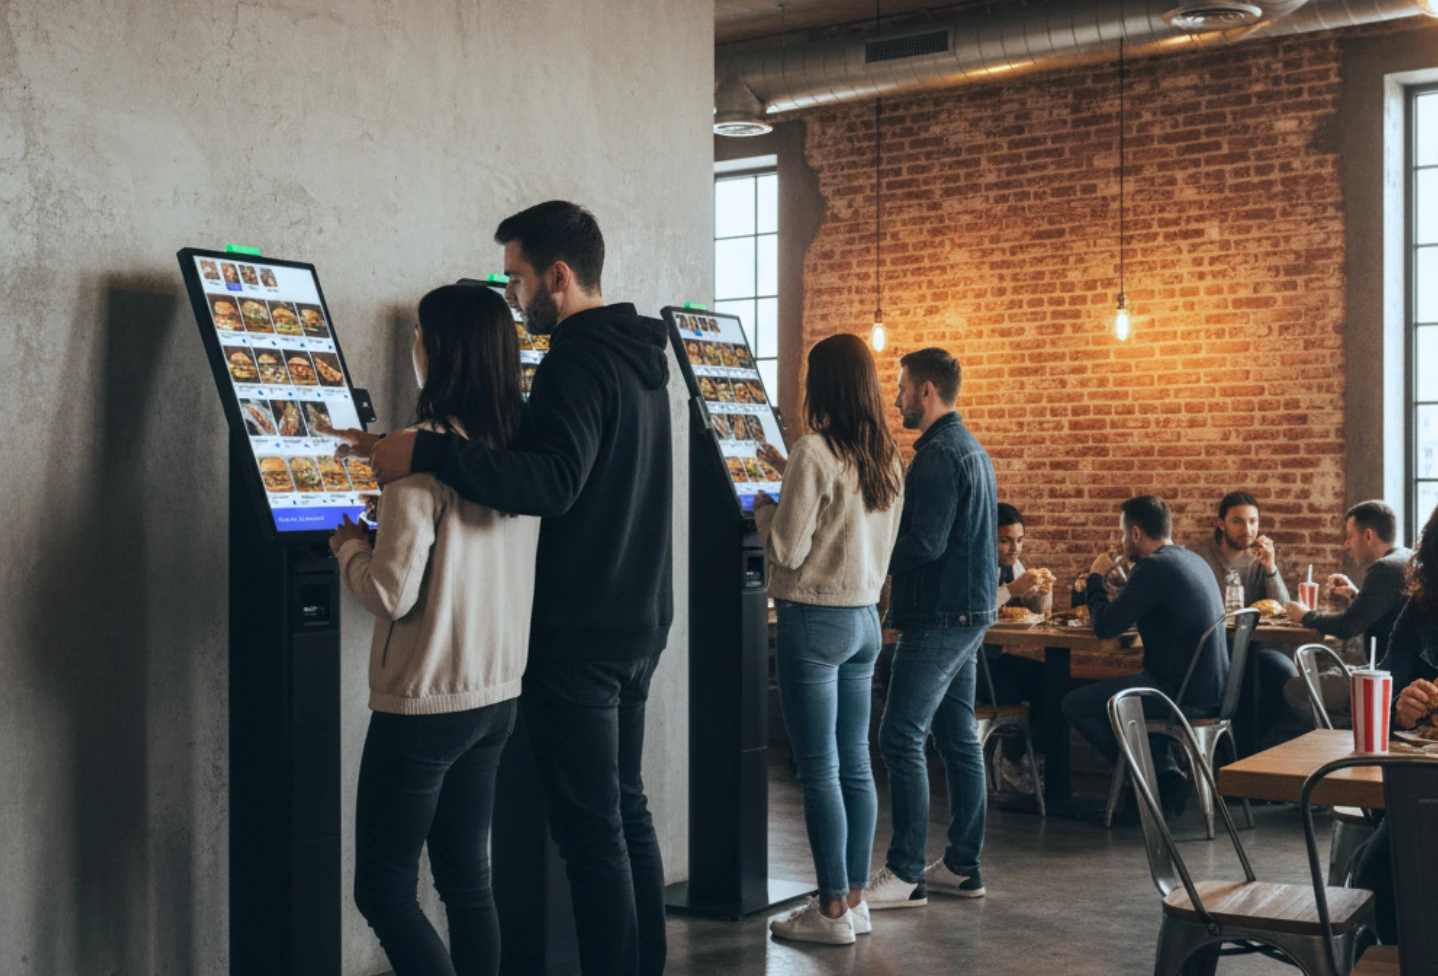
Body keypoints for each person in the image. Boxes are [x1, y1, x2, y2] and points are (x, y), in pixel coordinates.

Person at [335, 202, 673, 976]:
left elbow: (551, 482)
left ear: (559, 276)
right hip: (637, 620)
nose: (514, 300)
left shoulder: (578, 361)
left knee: (593, 838)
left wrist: (421, 448)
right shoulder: (638, 355)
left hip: (583, 636)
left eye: (519, 280)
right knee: (623, 817)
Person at [333, 285, 541, 976]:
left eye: (420, 333)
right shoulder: (519, 458)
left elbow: (391, 592)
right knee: (467, 884)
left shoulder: (415, 459)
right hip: (495, 696)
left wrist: (348, 548)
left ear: (440, 350)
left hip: (423, 702)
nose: (414, 344)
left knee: (383, 892)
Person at [753, 334, 904, 946]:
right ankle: (857, 901)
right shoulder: (886, 455)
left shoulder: (814, 451)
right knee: (855, 768)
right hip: (865, 621)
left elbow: (787, 547)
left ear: (824, 384)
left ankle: (831, 910)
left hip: (813, 621)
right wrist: (787, 472)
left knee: (817, 772)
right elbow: (849, 520)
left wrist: (769, 504)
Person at [866, 347, 997, 912]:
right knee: (958, 738)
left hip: (940, 615)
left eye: (901, 388)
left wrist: (869, 557)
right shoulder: (972, 450)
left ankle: (903, 873)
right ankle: (962, 868)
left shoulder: (941, 454)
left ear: (926, 391)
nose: (895, 398)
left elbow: (925, 543)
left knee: (899, 736)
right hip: (968, 612)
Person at [1061, 496, 1229, 808]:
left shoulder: (1154, 567)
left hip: (1177, 697)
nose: (1122, 540)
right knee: (1133, 687)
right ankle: (1163, 775)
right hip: (1212, 693)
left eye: (1123, 533)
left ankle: (1148, 779)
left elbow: (1106, 627)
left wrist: (1095, 578)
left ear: (1136, 533)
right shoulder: (1190, 560)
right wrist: (1126, 585)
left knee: (1075, 703)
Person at [1353, 503, 1438, 945]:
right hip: (1423, 784)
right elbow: (1383, 686)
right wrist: (1398, 708)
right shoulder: (1421, 610)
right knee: (1373, 875)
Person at [1282, 500, 1413, 722]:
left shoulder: (1384, 568)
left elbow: (1347, 626)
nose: (1346, 545)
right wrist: (1356, 595)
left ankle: (1344, 736)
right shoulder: (1405, 557)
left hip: (1387, 678)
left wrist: (1305, 615)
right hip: (1398, 673)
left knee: (1294, 689)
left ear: (1368, 535)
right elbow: (1387, 610)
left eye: (1350, 536)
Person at [1192, 491, 1297, 744]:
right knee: (1242, 676)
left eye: (1253, 521)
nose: (1247, 529)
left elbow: (1282, 609)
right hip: (1212, 646)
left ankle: (1239, 746)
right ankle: (1238, 753)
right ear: (1221, 524)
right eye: (1238, 521)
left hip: (1255, 644)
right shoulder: (1201, 555)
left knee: (1289, 680)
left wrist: (1271, 568)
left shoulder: (1259, 558)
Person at [980, 504, 1052, 789]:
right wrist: (1012, 589)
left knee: (1050, 680)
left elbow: (1035, 610)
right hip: (966, 664)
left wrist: (1043, 591)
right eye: (1005, 540)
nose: (1014, 548)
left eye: (1019, 540)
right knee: (1009, 690)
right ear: (988, 538)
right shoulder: (973, 565)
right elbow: (975, 611)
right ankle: (1012, 760)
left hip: (994, 657)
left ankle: (1040, 760)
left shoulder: (1012, 566)